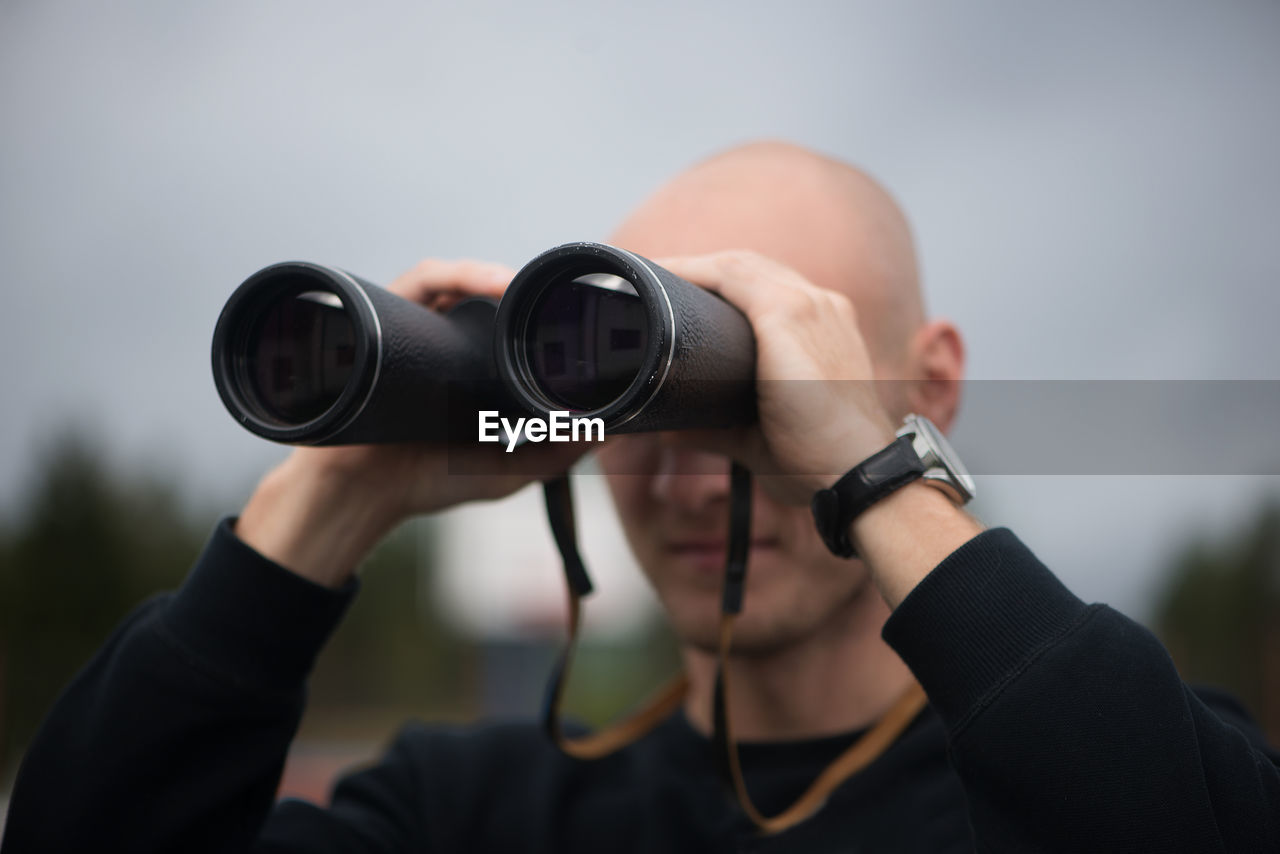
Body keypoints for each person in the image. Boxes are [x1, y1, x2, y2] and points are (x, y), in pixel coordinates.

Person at [3, 141, 1278, 853]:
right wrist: (332, 493)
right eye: (632, 404)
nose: (683, 468)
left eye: (746, 392)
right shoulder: (466, 816)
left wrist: (868, 472)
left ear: (925, 382)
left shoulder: (1120, 772)